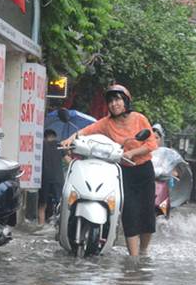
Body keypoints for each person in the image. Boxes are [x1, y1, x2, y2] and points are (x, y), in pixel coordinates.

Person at [60, 84, 159, 256]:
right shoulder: (106, 123)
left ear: (126, 101)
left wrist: (132, 152)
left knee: (147, 215)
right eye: (111, 101)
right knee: (129, 213)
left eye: (118, 99)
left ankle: (143, 252)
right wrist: (69, 139)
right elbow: (85, 131)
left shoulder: (138, 119)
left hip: (143, 170)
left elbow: (151, 144)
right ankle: (133, 259)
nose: (114, 104)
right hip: (122, 172)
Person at [38, 129, 65, 225]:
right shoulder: (59, 145)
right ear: (54, 136)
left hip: (44, 178)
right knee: (60, 203)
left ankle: (41, 224)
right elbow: (67, 159)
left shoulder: (41, 146)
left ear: (45, 137)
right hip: (58, 178)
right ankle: (60, 225)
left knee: (42, 204)